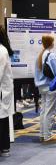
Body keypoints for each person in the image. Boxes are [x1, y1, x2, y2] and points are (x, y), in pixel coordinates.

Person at [34, 34, 56, 143]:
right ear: (51, 43)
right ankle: (47, 136)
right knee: (50, 111)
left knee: (44, 110)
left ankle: (42, 134)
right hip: (51, 86)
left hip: (41, 86)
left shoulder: (39, 55)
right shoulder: (51, 55)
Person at [0, 25, 14, 157]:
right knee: (2, 119)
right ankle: (4, 147)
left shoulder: (1, 50)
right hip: (3, 92)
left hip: (2, 92)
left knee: (2, 120)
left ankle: (4, 147)